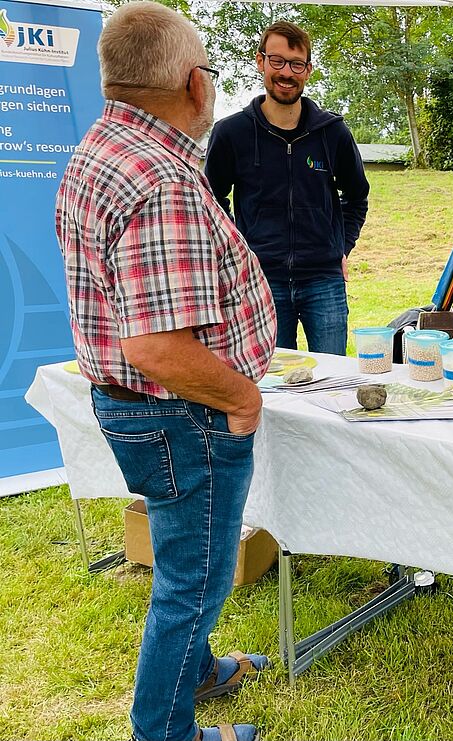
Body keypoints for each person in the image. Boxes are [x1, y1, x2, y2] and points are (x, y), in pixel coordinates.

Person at [55, 4, 277, 740]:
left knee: (188, 556)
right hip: (183, 413)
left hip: (139, 406)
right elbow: (155, 346)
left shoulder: (101, 146)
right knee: (196, 577)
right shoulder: (162, 178)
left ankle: (202, 669)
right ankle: (164, 729)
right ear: (193, 82)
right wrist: (242, 397)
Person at [205, 21, 369, 356]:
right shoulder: (231, 133)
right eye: (277, 61)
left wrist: (341, 246)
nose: (286, 73)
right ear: (260, 61)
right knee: (273, 384)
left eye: (296, 64)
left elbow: (357, 197)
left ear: (308, 71)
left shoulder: (334, 133)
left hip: (324, 281)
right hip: (262, 280)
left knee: (331, 378)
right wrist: (240, 251)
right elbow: (212, 200)